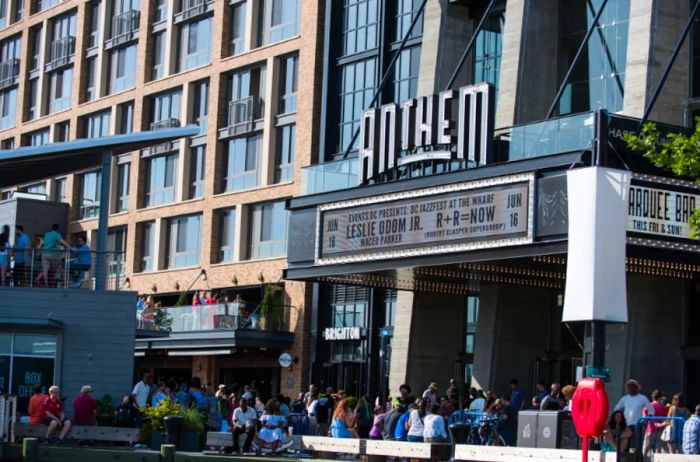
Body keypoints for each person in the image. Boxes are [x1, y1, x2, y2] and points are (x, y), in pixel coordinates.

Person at [642, 389, 667, 458]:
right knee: (658, 449)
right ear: (659, 398)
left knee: (646, 448)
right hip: (659, 431)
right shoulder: (662, 407)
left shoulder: (648, 406)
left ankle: (643, 460)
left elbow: (644, 417)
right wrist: (662, 425)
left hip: (650, 430)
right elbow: (665, 420)